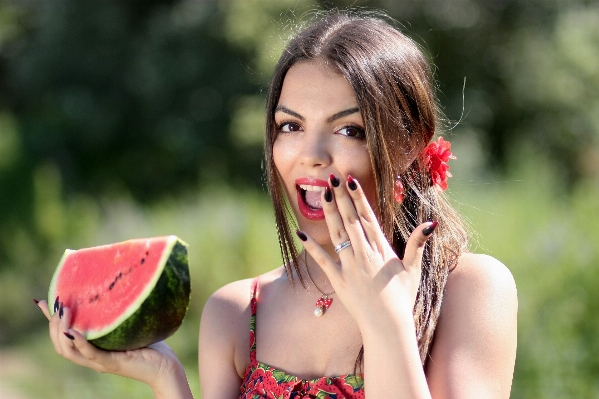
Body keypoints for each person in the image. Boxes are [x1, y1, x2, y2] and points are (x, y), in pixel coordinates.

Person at [35, 10, 517, 399]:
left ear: (410, 144)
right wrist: (165, 377)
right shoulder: (236, 312)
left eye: (348, 129)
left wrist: (386, 322)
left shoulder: (470, 290)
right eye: (291, 126)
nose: (310, 154)